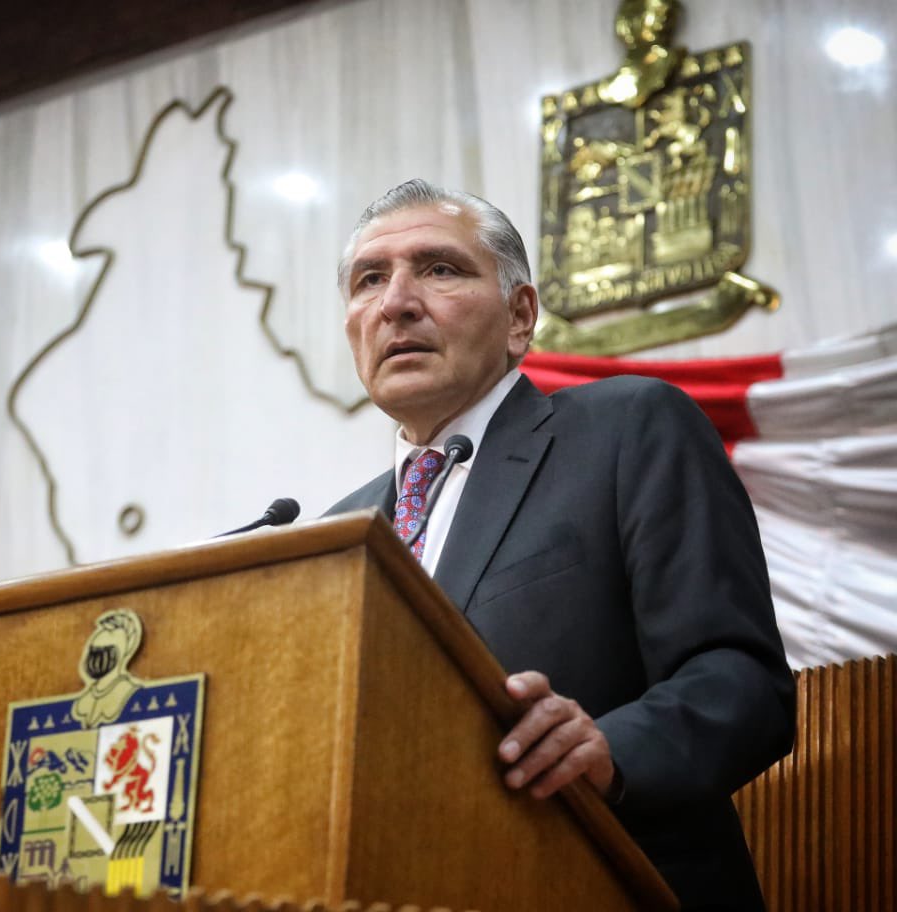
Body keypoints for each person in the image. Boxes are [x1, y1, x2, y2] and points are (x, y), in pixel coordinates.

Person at [326, 179, 795, 910]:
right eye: (370, 280)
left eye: (441, 269)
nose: (397, 303)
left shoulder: (627, 429)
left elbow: (743, 683)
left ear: (521, 317)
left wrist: (611, 751)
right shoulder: (338, 534)